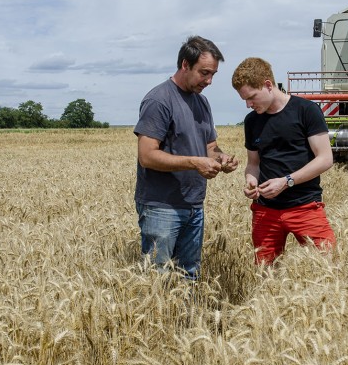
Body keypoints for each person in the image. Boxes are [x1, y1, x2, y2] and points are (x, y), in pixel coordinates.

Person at [134, 35, 238, 280]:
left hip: (193, 205)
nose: (209, 81)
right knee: (157, 280)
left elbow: (210, 146)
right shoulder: (159, 100)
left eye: (213, 74)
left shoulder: (202, 103)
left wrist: (222, 159)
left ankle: (187, 320)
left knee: (188, 275)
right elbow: (147, 156)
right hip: (162, 207)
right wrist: (194, 162)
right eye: (204, 73)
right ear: (184, 65)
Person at [231, 57, 335, 265]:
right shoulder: (252, 121)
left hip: (305, 206)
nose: (248, 105)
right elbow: (254, 163)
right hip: (265, 211)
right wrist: (251, 181)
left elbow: (325, 158)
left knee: (327, 268)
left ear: (268, 85)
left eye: (251, 97)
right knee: (265, 274)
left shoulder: (306, 110)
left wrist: (286, 181)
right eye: (244, 99)